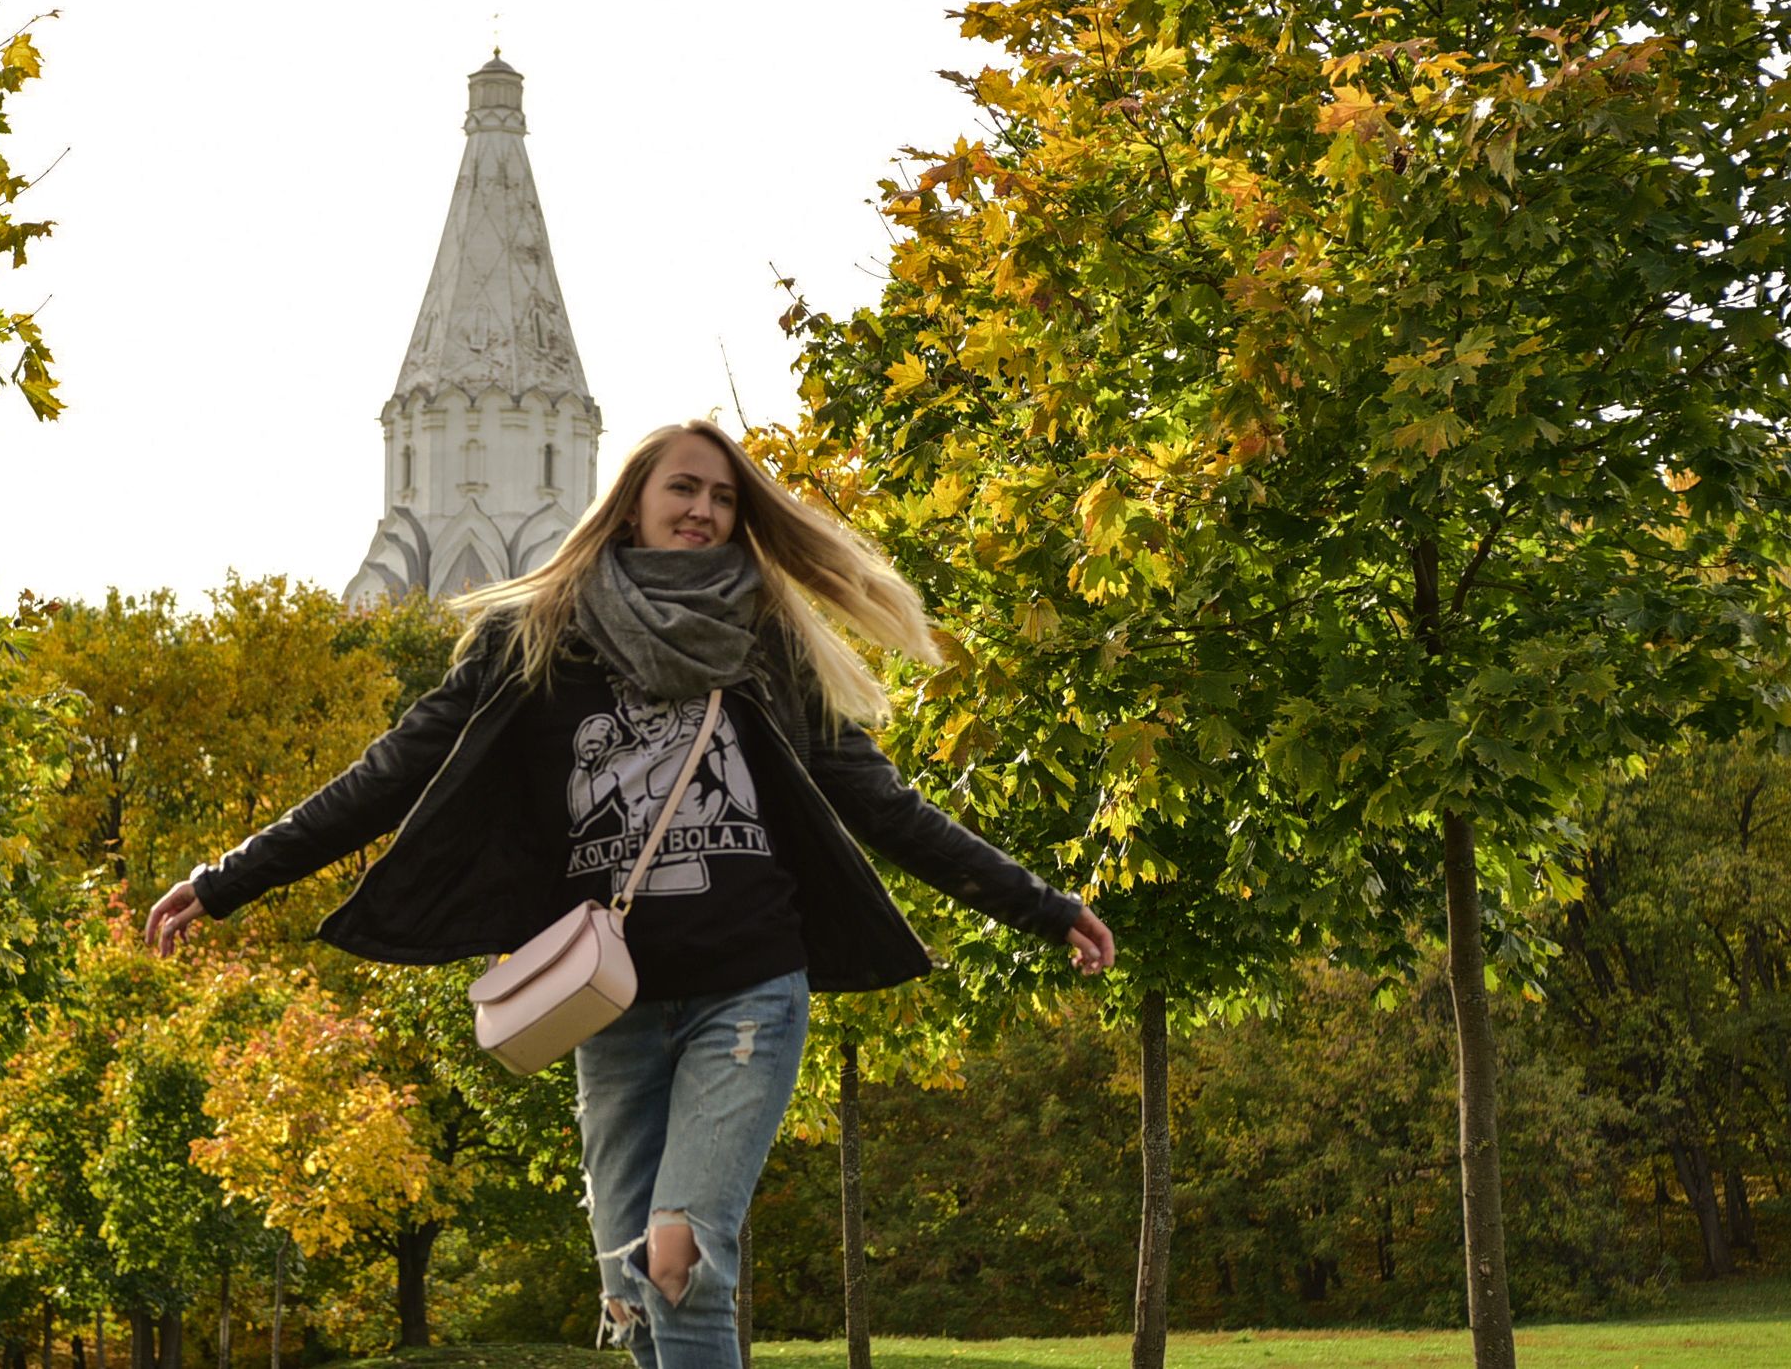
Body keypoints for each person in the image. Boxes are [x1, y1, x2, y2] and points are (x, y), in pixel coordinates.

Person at [146, 419, 1115, 1367]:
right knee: (629, 1290)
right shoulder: (534, 637)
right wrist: (226, 882)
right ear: (630, 507)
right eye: (682, 489)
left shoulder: (762, 640)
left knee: (678, 1262)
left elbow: (884, 808)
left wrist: (1041, 904)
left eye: (723, 498)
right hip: (607, 1005)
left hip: (747, 991)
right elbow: (391, 773)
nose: (702, 509)